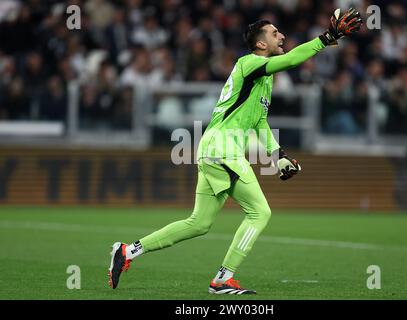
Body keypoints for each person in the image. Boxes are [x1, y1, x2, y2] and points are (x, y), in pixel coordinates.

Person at [108, 8, 362, 295]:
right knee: (259, 213)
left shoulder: (263, 78)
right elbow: (292, 60)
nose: (282, 36)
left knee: (199, 223)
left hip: (213, 148)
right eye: (275, 33)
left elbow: (260, 122)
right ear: (260, 44)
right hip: (222, 149)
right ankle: (222, 279)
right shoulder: (249, 63)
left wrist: (277, 155)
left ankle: (127, 251)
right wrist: (327, 38)